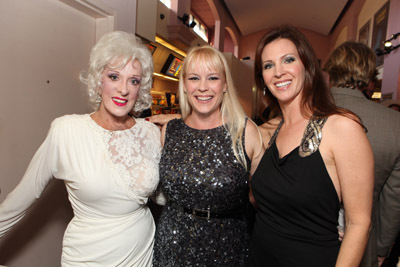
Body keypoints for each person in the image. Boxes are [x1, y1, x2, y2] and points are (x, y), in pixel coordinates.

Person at [0, 31, 161, 266]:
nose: (123, 89)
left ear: (141, 88)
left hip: (142, 255)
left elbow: (161, 194)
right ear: (99, 81)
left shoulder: (151, 133)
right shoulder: (66, 131)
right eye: (114, 76)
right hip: (88, 257)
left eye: (133, 80)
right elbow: (23, 196)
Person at [248, 25, 374, 267]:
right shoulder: (269, 131)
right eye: (268, 65)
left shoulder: (342, 128)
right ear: (262, 78)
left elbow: (359, 224)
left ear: (307, 66)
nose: (278, 72)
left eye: (288, 60)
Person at [152, 45, 264, 266]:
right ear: (184, 85)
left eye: (212, 78)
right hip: (172, 246)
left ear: (224, 85)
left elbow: (264, 198)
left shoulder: (245, 132)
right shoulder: (170, 131)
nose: (203, 87)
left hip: (227, 249)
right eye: (194, 78)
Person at [323, 41, 400, 267]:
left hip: (303, 238)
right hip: (364, 243)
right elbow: (393, 199)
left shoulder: (307, 111)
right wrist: (381, 248)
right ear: (369, 74)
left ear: (331, 70)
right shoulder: (394, 123)